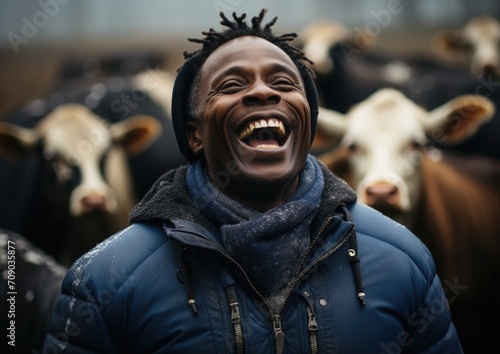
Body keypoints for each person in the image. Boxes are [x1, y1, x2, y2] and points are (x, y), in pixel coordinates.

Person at [43, 9, 463, 354]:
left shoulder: (404, 261)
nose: (263, 93)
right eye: (231, 84)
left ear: (309, 123)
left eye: (283, 82)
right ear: (194, 134)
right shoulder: (104, 281)